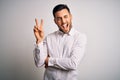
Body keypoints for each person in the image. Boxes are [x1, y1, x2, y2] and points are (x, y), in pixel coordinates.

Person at [33, 4, 87, 80]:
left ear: (71, 16)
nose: (63, 21)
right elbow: (39, 63)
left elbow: (73, 63)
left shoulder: (80, 37)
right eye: (59, 19)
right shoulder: (49, 38)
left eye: (65, 16)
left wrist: (49, 60)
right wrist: (39, 41)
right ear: (55, 21)